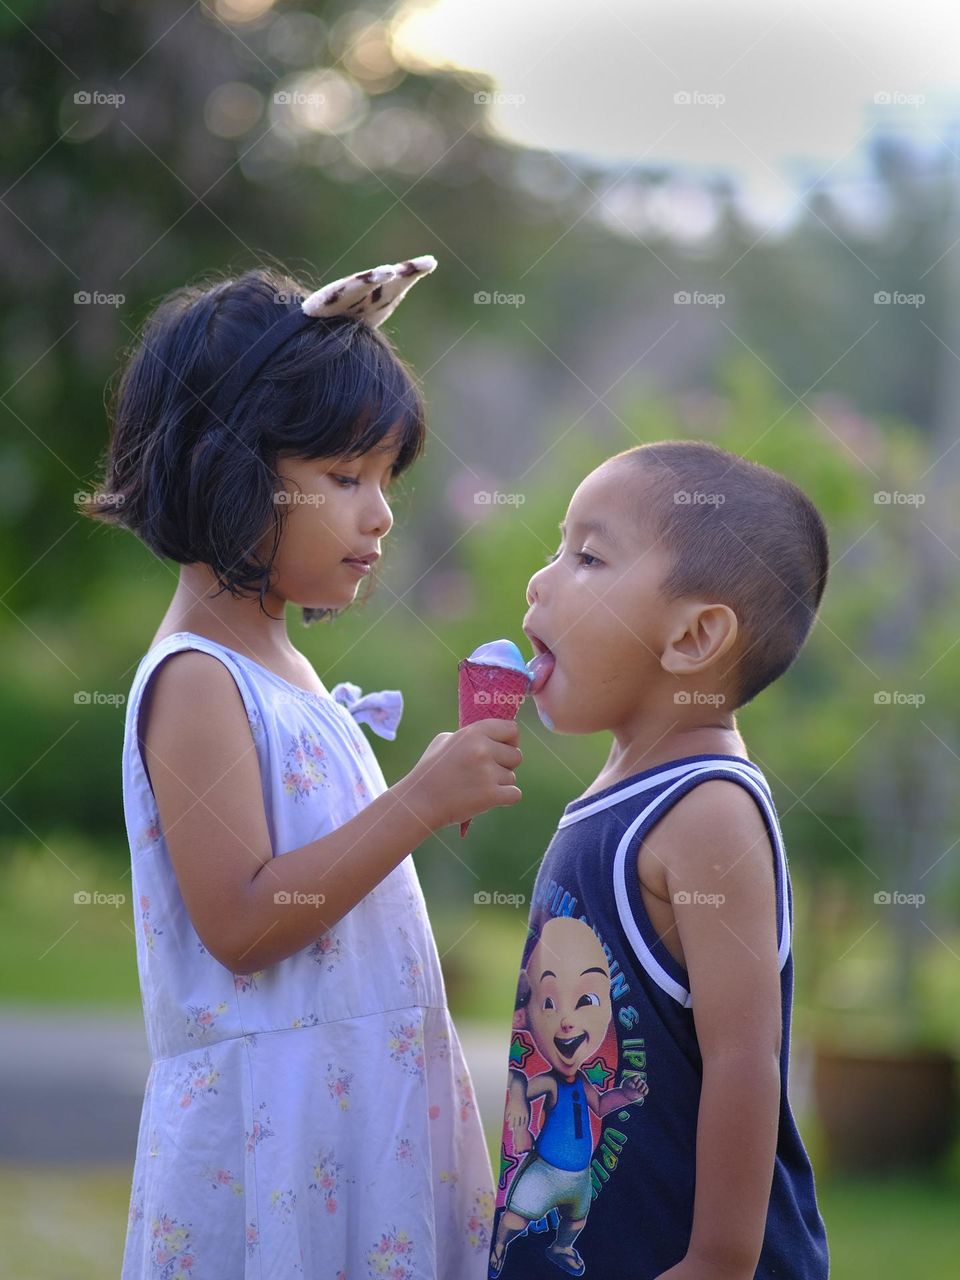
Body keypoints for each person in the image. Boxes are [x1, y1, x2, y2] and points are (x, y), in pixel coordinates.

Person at [78, 256, 521, 1279]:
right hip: (274, 1137)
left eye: (385, 479)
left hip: (361, 1104)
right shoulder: (197, 679)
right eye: (344, 477)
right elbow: (238, 921)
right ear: (232, 468)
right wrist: (419, 798)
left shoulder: (281, 664)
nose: (381, 515)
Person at [489, 440, 831, 1279]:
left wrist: (717, 1261)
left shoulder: (706, 809)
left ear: (694, 637)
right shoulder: (616, 795)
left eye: (588, 556)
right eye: (556, 549)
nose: (541, 580)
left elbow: (744, 1057)